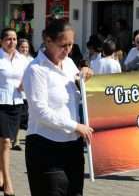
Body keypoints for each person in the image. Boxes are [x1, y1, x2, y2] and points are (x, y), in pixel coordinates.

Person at [23, 19, 93, 196]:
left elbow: (78, 97)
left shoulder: (69, 64)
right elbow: (41, 112)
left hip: (72, 146)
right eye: (63, 45)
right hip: (46, 147)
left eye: (71, 45)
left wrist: (86, 80)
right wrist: (76, 126)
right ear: (48, 41)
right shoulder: (35, 70)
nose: (68, 50)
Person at [0, 28, 28, 196]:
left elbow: (30, 74)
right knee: (6, 143)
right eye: (8, 39)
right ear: (2, 41)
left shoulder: (22, 59)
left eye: (15, 39)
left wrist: (25, 84)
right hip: (1, 103)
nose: (12, 42)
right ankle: (8, 181)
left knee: (5, 142)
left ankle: (1, 174)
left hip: (17, 103)